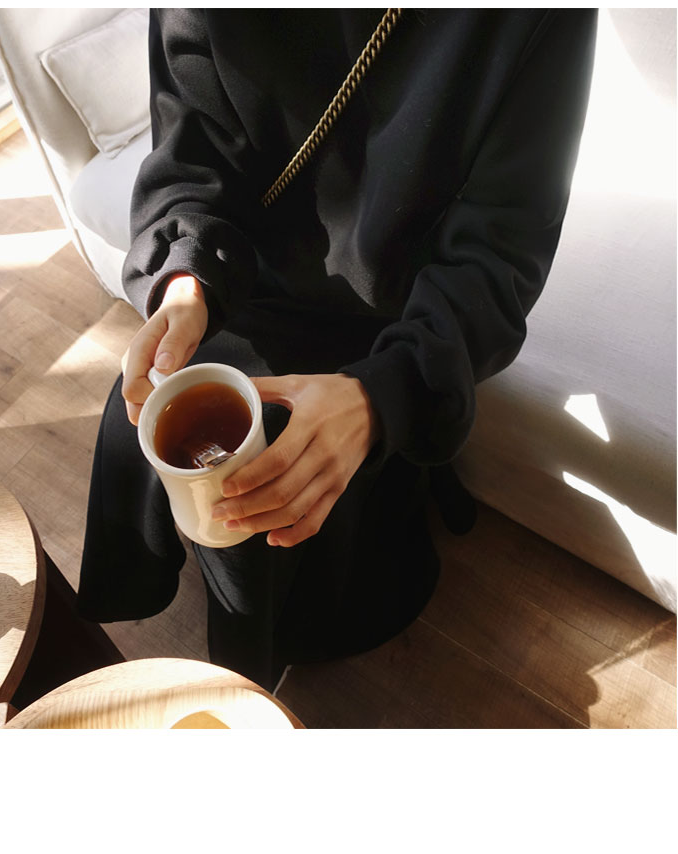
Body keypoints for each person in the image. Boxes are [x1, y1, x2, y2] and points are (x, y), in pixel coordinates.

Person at [77, 9, 597, 692]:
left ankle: (256, 670)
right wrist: (184, 280)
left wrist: (382, 396)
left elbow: (498, 252)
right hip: (239, 273)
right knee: (147, 421)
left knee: (259, 483)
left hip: (395, 312)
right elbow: (191, 142)